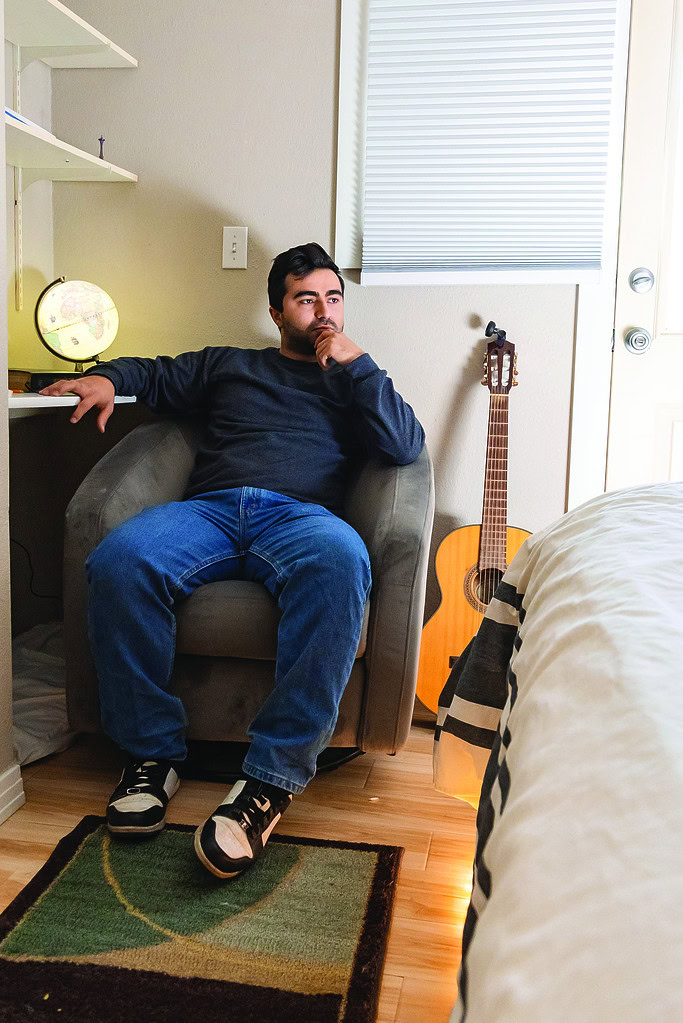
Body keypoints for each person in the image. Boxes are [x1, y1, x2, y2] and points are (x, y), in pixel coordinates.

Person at [42, 242, 424, 879]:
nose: (323, 313)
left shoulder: (354, 379)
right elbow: (157, 373)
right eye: (307, 300)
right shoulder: (230, 365)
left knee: (341, 564)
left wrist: (358, 367)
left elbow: (404, 445)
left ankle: (270, 782)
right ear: (278, 313)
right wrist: (108, 377)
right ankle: (151, 757)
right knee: (119, 561)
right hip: (212, 510)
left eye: (333, 299)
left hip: (301, 517)